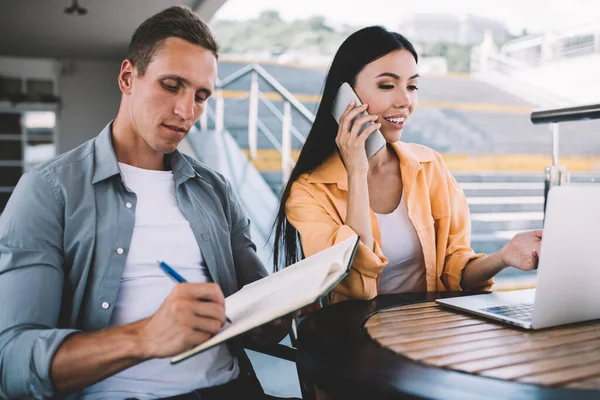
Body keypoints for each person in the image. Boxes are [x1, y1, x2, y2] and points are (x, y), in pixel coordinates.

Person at [0, 6, 293, 400]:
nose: (187, 111)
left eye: (201, 96)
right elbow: (12, 363)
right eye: (172, 85)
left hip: (232, 388)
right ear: (127, 77)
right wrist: (144, 336)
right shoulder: (47, 191)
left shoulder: (216, 190)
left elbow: (257, 315)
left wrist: (283, 310)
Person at [273, 26, 542, 304]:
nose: (405, 101)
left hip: (424, 333)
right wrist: (357, 171)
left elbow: (453, 272)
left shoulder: (429, 166)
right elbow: (356, 286)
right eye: (387, 85)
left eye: (412, 86)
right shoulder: (308, 192)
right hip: (353, 339)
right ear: (345, 97)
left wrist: (504, 256)